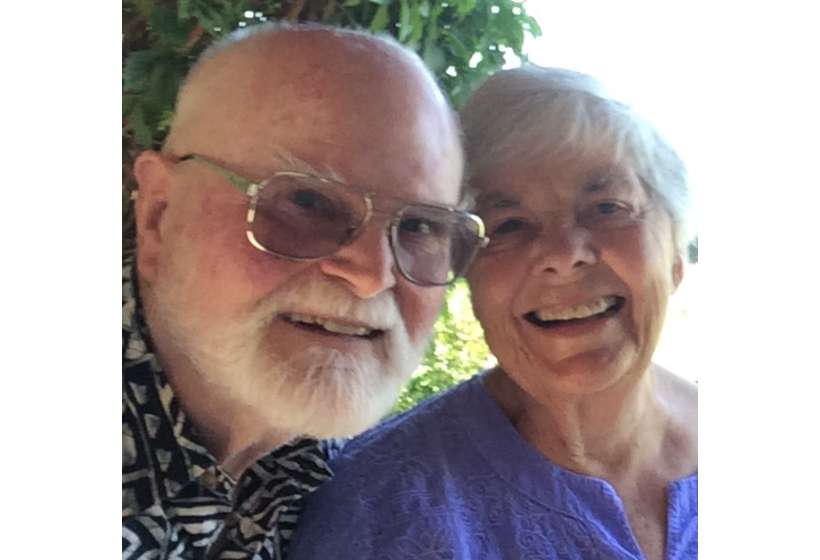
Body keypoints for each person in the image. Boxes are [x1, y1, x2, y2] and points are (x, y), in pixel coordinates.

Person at [287, 65, 698, 560]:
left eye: (607, 207)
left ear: (676, 254)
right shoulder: (382, 507)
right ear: (468, 276)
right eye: (508, 225)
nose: (563, 255)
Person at [122, 21, 489, 560]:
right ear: (159, 215)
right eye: (306, 203)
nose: (372, 274)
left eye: (420, 227)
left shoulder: (337, 474)